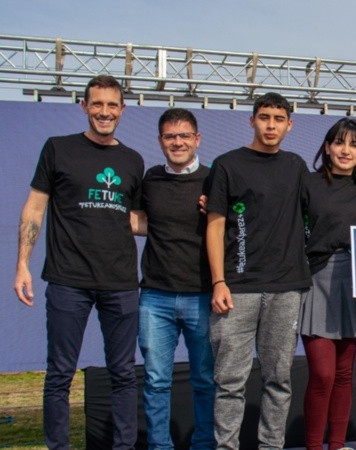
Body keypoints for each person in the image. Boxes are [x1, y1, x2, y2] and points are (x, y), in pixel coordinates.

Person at [13, 75, 144, 450]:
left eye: (112, 105)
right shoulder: (58, 149)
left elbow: (133, 220)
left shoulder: (132, 160)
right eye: (97, 104)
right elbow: (35, 207)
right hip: (68, 280)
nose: (105, 112)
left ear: (122, 109)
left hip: (120, 282)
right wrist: (22, 263)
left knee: (123, 373)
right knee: (59, 374)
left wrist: (188, 215)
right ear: (84, 107)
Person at [205, 92, 312, 450]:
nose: (271, 125)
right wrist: (218, 281)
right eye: (264, 117)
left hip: (286, 288)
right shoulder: (227, 165)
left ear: (289, 125)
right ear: (252, 120)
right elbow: (216, 226)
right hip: (237, 288)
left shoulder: (296, 166)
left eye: (278, 119)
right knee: (230, 381)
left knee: (278, 379)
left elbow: (325, 202)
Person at [133, 108, 215, 449]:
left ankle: (204, 444)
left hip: (203, 295)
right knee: (155, 381)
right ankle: (159, 445)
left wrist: (215, 211)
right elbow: (137, 222)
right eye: (170, 136)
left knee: (205, 380)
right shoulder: (149, 179)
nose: (177, 142)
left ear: (197, 139)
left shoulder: (214, 180)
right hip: (155, 296)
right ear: (160, 141)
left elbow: (233, 228)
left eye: (184, 136)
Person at [299, 118, 356, 450]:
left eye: (354, 144)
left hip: (355, 280)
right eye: (339, 142)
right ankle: (315, 446)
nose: (346, 150)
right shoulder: (306, 184)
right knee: (323, 374)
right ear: (327, 147)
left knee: (344, 372)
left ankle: (337, 444)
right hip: (314, 277)